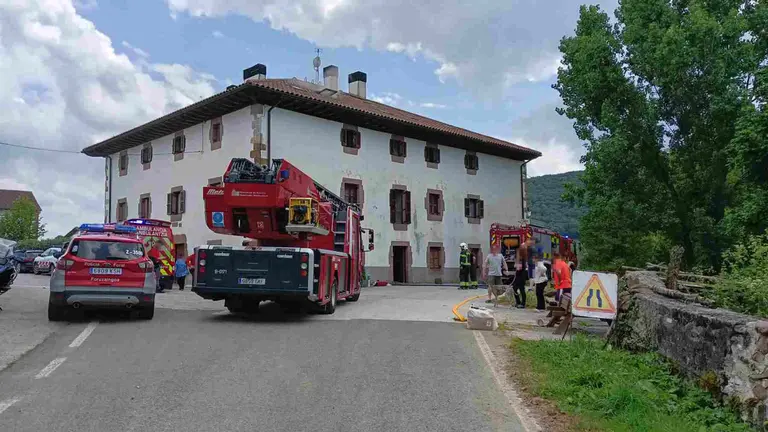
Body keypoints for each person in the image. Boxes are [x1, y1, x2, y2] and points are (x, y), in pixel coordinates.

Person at [512, 237, 535, 308]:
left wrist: (519, 265)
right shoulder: (523, 248)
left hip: (522, 272)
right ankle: (518, 302)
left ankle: (522, 303)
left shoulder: (526, 250)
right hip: (520, 272)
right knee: (515, 288)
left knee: (521, 288)